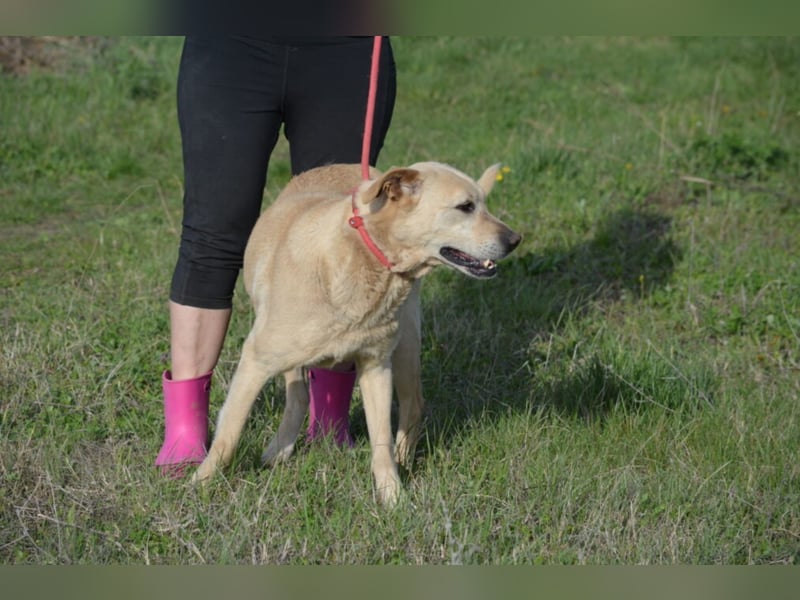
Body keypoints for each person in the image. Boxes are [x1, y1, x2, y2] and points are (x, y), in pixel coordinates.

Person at [156, 36, 396, 474]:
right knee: (212, 234)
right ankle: (185, 431)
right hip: (230, 42)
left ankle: (329, 417)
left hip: (346, 47)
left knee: (346, 228)